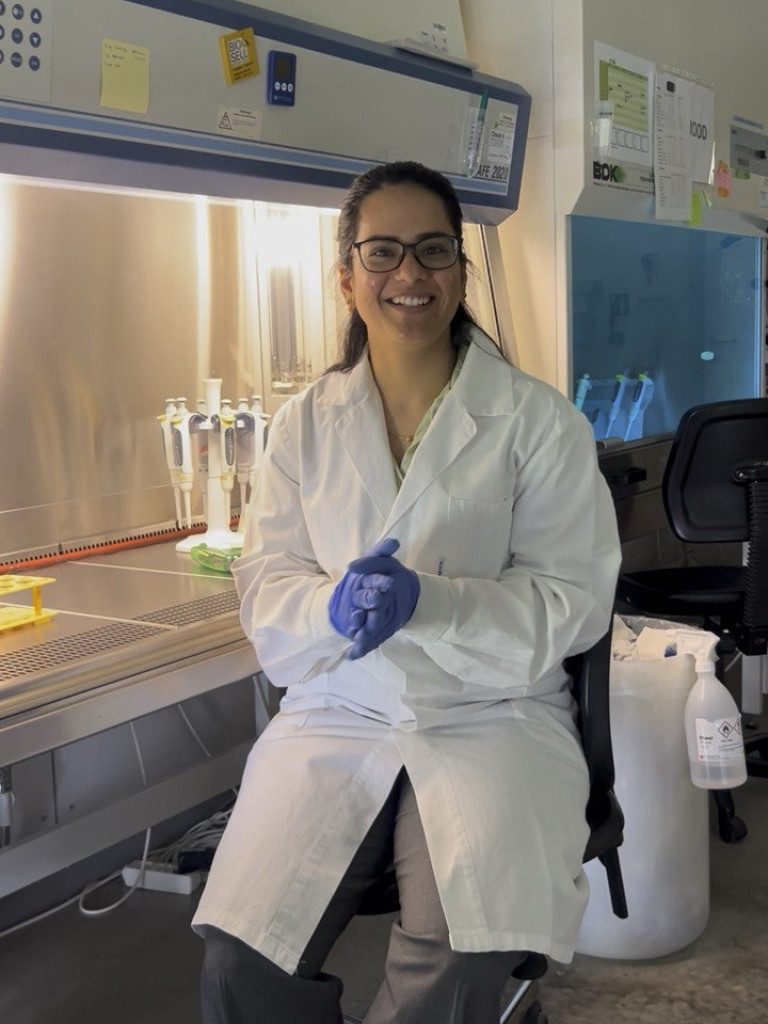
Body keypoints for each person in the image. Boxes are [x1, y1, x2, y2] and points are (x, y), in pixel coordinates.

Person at [192, 160, 621, 1024]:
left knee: (455, 953)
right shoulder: (304, 424)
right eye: (382, 252)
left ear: (460, 273)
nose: (410, 275)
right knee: (243, 955)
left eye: (433, 251)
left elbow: (572, 603)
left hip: (491, 714)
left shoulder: (539, 423)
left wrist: (433, 603)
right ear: (346, 275)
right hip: (338, 712)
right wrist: (329, 609)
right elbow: (269, 582)